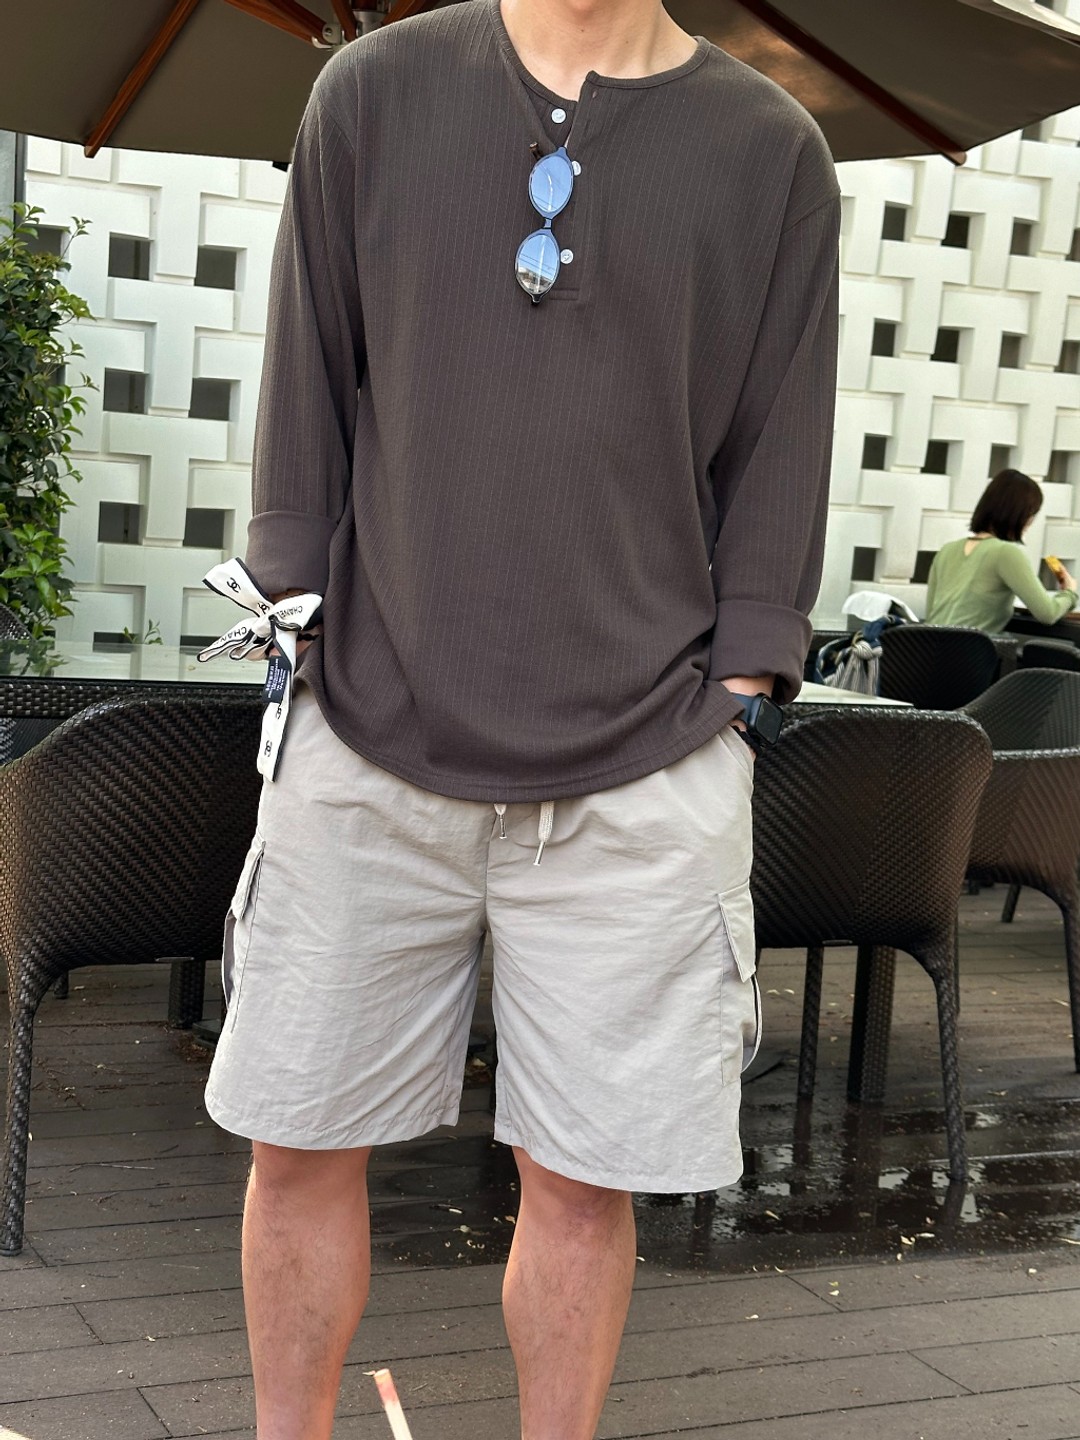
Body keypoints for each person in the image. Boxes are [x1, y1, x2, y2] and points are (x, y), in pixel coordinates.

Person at [203, 0, 839, 1433]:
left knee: (584, 1181)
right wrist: (295, 608)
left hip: (648, 755)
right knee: (293, 1141)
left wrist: (746, 679)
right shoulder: (370, 93)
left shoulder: (771, 148)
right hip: (366, 728)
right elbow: (306, 379)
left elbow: (783, 436)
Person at [925, 469, 1078, 632]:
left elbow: (931, 614)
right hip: (971, 647)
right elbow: (1048, 613)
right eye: (1031, 513)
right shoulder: (1006, 553)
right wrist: (1069, 592)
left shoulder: (946, 550)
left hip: (930, 645)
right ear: (1019, 514)